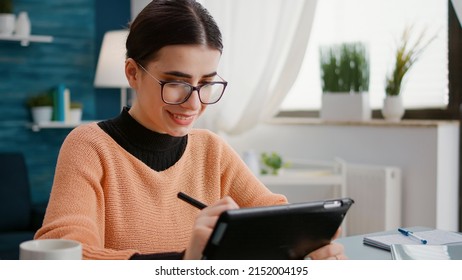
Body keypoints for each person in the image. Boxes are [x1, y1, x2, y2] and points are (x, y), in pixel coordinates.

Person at [35, 0, 346, 260]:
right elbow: (66, 257)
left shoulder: (211, 149)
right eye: (178, 84)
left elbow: (275, 215)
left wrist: (306, 243)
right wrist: (185, 262)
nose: (193, 103)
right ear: (132, 73)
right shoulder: (89, 146)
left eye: (206, 84)